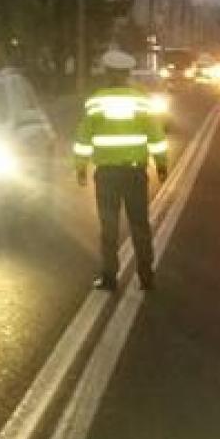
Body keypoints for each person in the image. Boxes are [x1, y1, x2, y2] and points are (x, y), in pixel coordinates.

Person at [74, 50, 169, 292]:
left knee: (109, 228)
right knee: (140, 225)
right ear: (127, 75)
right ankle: (146, 276)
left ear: (107, 74)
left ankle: (109, 278)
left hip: (106, 175)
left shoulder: (95, 102)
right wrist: (161, 164)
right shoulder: (141, 101)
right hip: (134, 174)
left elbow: (83, 138)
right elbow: (156, 136)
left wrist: (81, 168)